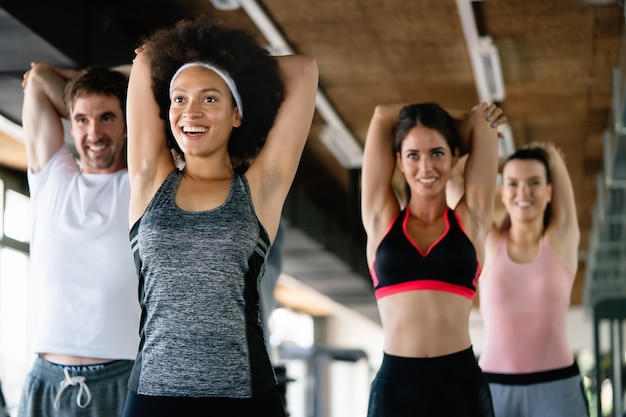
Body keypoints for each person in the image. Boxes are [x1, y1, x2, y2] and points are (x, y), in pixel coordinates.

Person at [121, 16, 318, 416]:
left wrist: (236, 69)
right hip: (153, 396)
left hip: (244, 396)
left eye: (210, 98)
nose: (190, 112)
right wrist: (181, 66)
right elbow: (144, 66)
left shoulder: (260, 189)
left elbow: (304, 69)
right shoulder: (149, 183)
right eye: (179, 98)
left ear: (237, 114)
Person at [361, 101, 503, 416]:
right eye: (413, 155)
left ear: (456, 155)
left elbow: (484, 125)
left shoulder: (472, 220)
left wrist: (469, 124)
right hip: (395, 391)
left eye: (437, 153)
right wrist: (458, 119)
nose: (425, 167)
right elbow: (383, 114)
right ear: (398, 159)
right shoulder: (380, 220)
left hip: (461, 387)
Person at [19, 62, 140, 416]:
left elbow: (154, 75)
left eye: (107, 117)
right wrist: (87, 85)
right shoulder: (51, 177)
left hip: (121, 381)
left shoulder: (141, 184)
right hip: (47, 383)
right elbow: (39, 79)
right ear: (70, 124)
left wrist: (109, 82)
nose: (94, 132)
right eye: (82, 120)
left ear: (127, 122)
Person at [477, 142, 590, 416]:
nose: (523, 191)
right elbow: (458, 187)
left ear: (549, 192)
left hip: (558, 387)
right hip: (494, 387)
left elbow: (565, 200)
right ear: (502, 193)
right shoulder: (489, 244)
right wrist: (477, 134)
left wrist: (551, 153)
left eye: (534, 182)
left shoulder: (560, 241)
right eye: (513, 183)